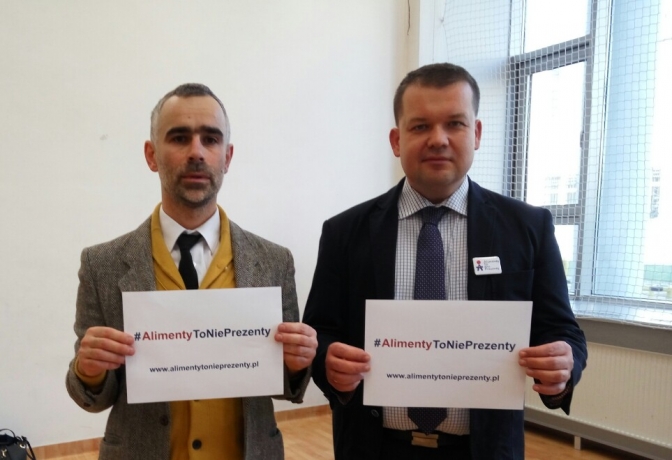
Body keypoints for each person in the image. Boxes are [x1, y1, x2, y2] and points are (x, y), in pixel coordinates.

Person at [302, 63, 587, 460]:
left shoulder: (528, 227)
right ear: (397, 140)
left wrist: (564, 365)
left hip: (485, 450)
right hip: (373, 447)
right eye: (420, 126)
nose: (438, 139)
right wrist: (327, 363)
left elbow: (563, 331)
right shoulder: (344, 232)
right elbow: (319, 332)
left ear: (477, 133)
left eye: (455, 124)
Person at [66, 83, 317, 460]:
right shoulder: (101, 265)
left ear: (227, 157)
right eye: (180, 138)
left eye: (210, 139)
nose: (197, 152)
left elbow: (285, 384)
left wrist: (297, 365)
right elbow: (92, 396)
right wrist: (88, 369)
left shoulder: (274, 261)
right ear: (151, 155)